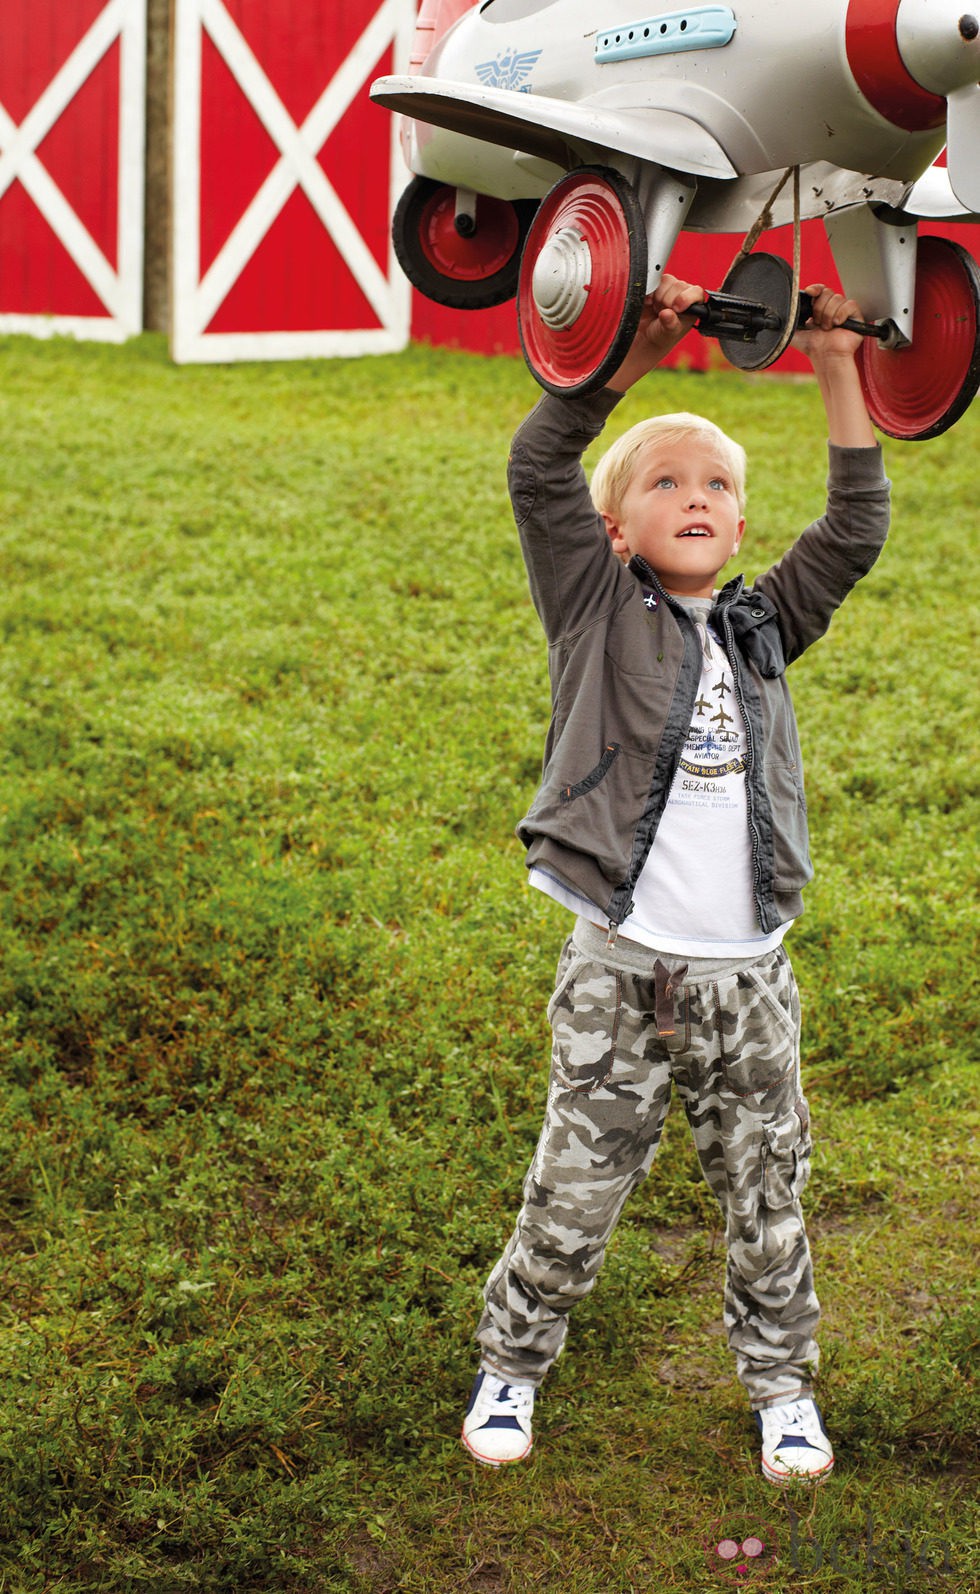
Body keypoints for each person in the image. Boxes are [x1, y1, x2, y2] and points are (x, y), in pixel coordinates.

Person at [460, 274, 890, 1484]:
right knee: (574, 1183)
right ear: (615, 528)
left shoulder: (759, 626)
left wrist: (836, 365)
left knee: (765, 1190)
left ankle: (780, 1387)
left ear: (740, 526)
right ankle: (512, 1362)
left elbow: (853, 530)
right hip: (620, 969)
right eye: (663, 482)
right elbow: (539, 465)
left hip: (747, 977)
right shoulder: (593, 608)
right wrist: (631, 356)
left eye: (714, 487)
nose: (692, 496)